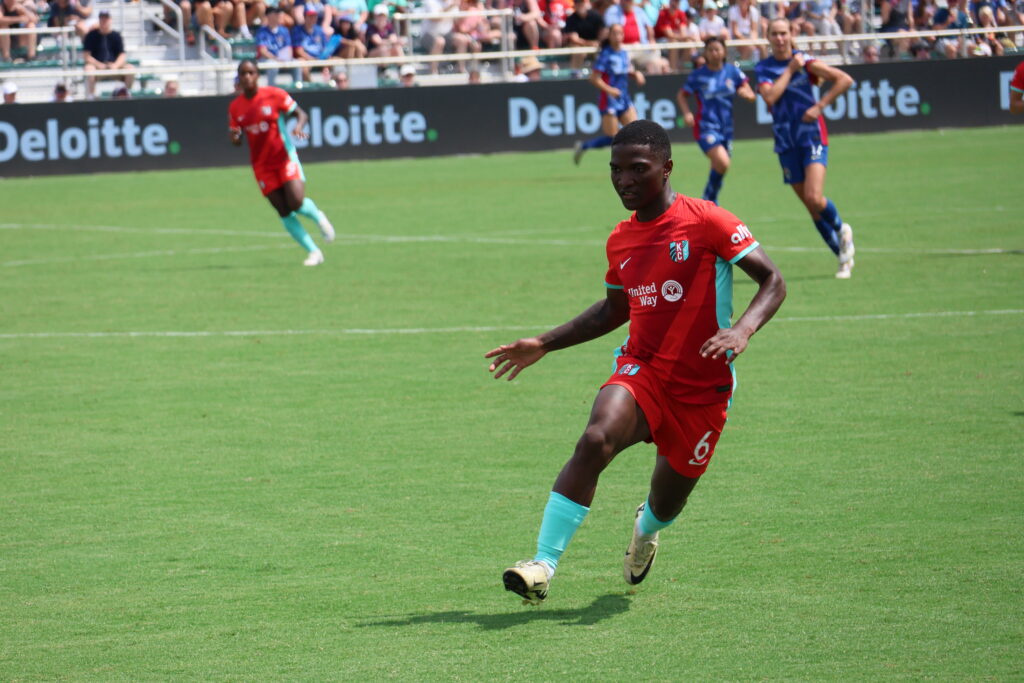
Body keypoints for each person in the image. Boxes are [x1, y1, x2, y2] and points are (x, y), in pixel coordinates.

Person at [488, 120, 786, 606]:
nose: (624, 180)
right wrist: (544, 342)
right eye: (616, 169)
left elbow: (772, 280)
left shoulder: (709, 221)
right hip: (642, 369)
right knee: (595, 438)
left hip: (702, 390)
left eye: (638, 169)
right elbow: (615, 309)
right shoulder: (621, 240)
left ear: (667, 168)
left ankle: (645, 531)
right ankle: (543, 564)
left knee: (667, 503)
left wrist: (742, 329)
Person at [755, 18, 856, 278]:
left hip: (811, 137)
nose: (779, 38)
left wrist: (820, 106)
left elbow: (844, 79)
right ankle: (842, 256)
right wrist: (789, 70)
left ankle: (842, 229)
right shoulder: (765, 68)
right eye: (774, 34)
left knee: (814, 196)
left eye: (783, 33)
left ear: (791, 34)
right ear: (768, 37)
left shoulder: (807, 62)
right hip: (785, 142)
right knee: (811, 208)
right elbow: (769, 97)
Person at [228, 59, 336, 266]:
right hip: (261, 166)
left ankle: (318, 216)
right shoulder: (235, 107)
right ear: (239, 78)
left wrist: (297, 127)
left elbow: (300, 113)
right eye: (243, 74)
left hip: (284, 157)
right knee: (283, 210)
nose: (247, 77)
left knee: (295, 201)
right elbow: (236, 137)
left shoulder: (273, 95)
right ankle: (314, 252)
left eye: (251, 73)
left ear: (257, 75)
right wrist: (234, 138)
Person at [677, 37, 755, 204]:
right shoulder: (698, 75)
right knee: (722, 162)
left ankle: (709, 202)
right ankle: (708, 199)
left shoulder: (732, 71)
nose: (714, 53)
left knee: (719, 166)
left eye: (717, 49)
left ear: (724, 52)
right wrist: (686, 113)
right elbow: (682, 95)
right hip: (705, 127)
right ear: (705, 53)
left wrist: (748, 94)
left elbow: (746, 88)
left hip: (726, 128)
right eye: (710, 49)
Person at [572, 23, 646, 164]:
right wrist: (610, 90)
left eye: (620, 33)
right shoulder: (605, 55)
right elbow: (594, 78)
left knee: (635, 133)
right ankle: (583, 146)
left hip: (624, 98)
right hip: (609, 100)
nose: (618, 36)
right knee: (612, 138)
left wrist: (635, 74)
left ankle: (635, 163)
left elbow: (624, 71)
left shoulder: (624, 53)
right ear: (610, 36)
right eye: (614, 33)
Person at [82, 11, 135, 99]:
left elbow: (122, 54)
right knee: (89, 69)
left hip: (114, 67)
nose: (104, 21)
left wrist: (115, 65)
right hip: (97, 67)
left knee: (130, 69)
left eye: (106, 18)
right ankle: (91, 97)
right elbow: (86, 56)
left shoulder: (116, 35)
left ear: (110, 20)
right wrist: (99, 65)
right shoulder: (91, 35)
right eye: (102, 18)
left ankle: (125, 94)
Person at [257, 7, 300, 85]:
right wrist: (276, 59)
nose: (279, 15)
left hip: (282, 58)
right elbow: (263, 51)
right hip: (267, 59)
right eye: (276, 14)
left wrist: (286, 58)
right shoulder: (262, 31)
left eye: (279, 13)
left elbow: (288, 48)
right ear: (269, 16)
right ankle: (271, 88)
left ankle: (297, 87)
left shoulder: (284, 30)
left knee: (296, 63)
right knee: (272, 65)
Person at [564, 0, 606, 72]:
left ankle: (601, 74)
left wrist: (599, 42)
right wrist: (589, 43)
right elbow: (574, 38)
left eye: (582, 2)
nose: (580, 4)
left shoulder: (595, 16)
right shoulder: (571, 19)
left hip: (595, 43)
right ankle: (575, 74)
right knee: (579, 51)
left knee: (603, 51)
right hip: (579, 44)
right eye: (577, 2)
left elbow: (604, 30)